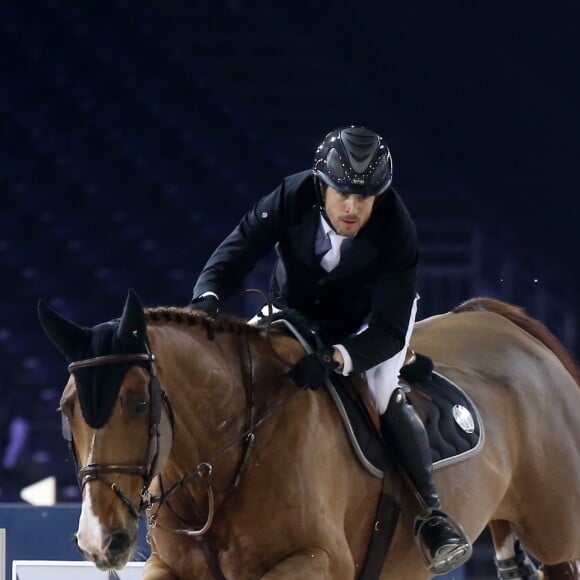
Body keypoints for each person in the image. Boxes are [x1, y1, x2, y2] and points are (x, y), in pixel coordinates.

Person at [188, 126, 471, 574]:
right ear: (322, 184)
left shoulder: (397, 228)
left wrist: (337, 358)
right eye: (343, 193)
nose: (353, 208)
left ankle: (431, 516)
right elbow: (236, 251)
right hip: (290, 312)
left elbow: (391, 328)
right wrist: (206, 299)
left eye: (366, 197)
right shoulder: (292, 195)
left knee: (381, 394)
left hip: (365, 325)